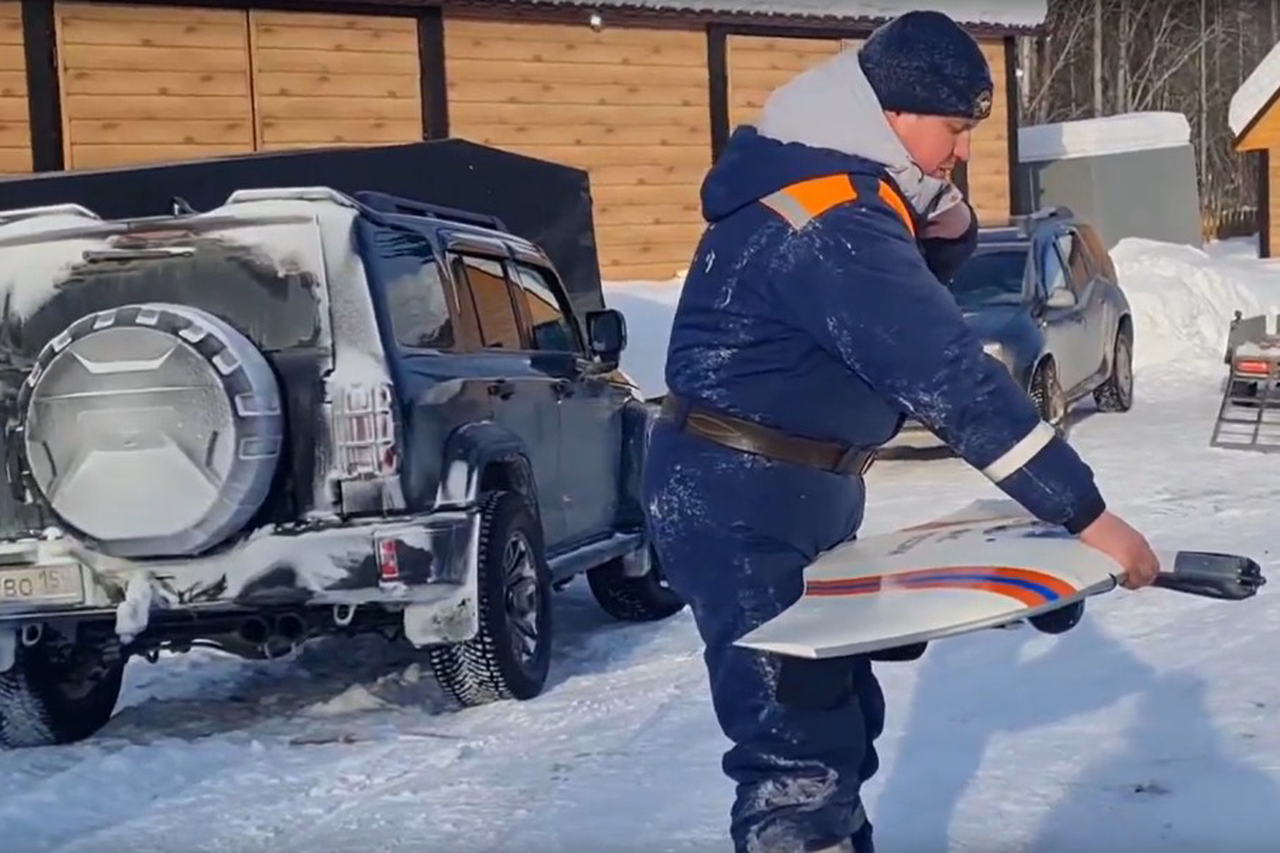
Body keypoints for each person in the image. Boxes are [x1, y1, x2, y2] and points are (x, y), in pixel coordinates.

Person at [640, 10, 1160, 853]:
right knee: (794, 750)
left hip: (787, 484)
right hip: (738, 495)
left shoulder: (836, 191)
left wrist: (938, 230)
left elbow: (881, 320)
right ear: (892, 113)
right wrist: (1087, 518)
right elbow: (948, 374)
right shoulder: (827, 213)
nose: (959, 152)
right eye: (954, 129)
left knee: (837, 720)